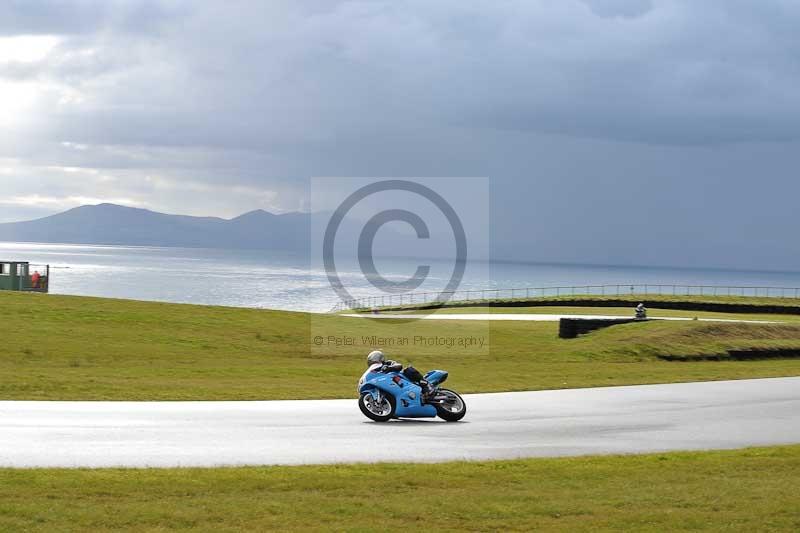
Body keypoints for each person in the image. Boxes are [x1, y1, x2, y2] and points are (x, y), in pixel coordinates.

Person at [366, 350, 433, 398]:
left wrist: (389, 368)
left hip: (401, 379)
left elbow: (399, 365)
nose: (374, 362)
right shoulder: (374, 370)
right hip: (390, 385)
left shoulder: (388, 363)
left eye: (375, 360)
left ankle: (426, 384)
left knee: (408, 370)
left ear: (381, 358)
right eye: (372, 361)